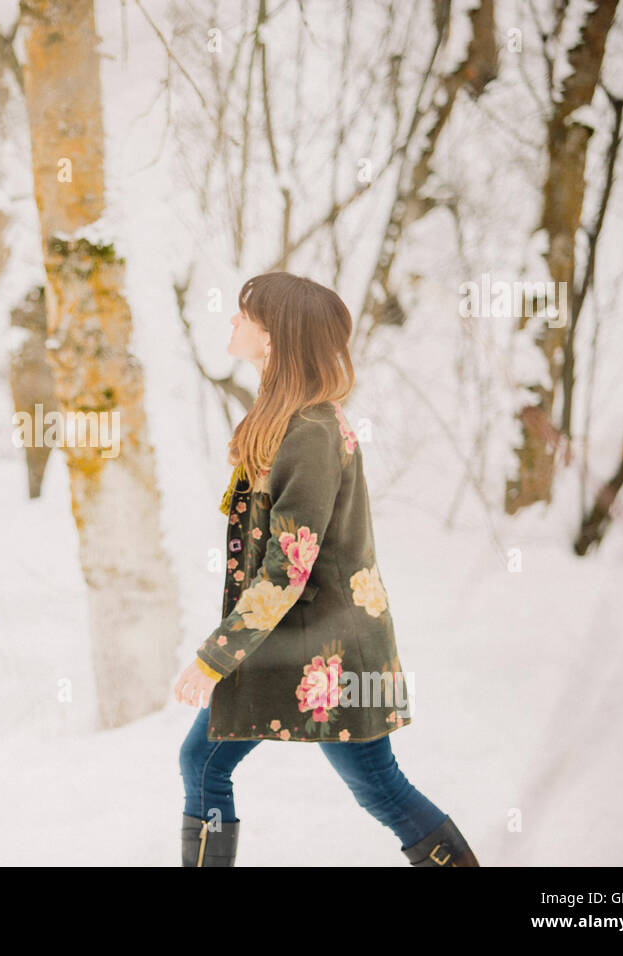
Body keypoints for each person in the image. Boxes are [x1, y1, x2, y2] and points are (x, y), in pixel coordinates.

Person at [172, 271, 479, 867]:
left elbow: (287, 567)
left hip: (334, 651)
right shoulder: (284, 419)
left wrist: (215, 656)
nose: (233, 322)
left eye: (246, 315)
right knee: (202, 760)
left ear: (275, 336)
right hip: (288, 641)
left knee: (379, 787)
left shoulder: (310, 430)